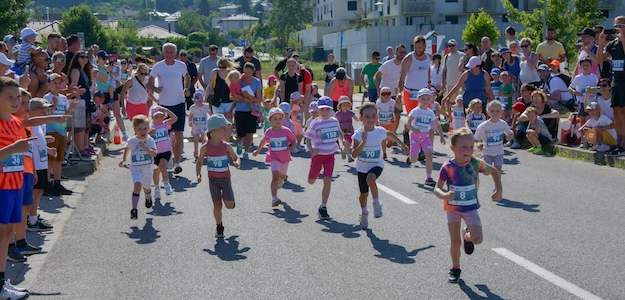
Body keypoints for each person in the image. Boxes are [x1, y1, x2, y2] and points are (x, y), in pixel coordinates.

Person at [434, 127, 502, 284]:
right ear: (453, 148)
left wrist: (499, 190)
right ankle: (455, 268)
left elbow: (494, 171)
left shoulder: (475, 164)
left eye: (471, 147)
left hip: (470, 208)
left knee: (478, 239)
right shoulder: (447, 167)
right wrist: (444, 195)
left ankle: (468, 235)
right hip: (453, 208)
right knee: (455, 241)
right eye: (464, 147)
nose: (468, 150)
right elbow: (437, 188)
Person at [0, 77, 33, 299]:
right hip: (1, 187)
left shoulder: (14, 121)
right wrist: (14, 148)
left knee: (9, 233)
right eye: (9, 97)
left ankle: (2, 282)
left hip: (16, 183)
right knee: (1, 234)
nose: (15, 101)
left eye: (17, 97)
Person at [351, 103, 408, 229]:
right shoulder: (358, 134)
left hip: (377, 164)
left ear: (377, 117)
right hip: (362, 167)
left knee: (371, 178)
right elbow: (353, 155)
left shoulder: (380, 131)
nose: (370, 119)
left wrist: (403, 145)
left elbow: (390, 135)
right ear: (361, 118)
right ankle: (364, 212)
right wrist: (364, 142)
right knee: (363, 194)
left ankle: (376, 203)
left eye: (373, 116)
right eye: (367, 116)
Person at [147, 43, 190, 174]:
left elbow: (187, 77)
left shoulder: (181, 65)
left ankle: (177, 162)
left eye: (172, 52)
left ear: (175, 53)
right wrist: (155, 89)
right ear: (163, 53)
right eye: (167, 52)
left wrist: (186, 88)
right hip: (164, 105)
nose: (169, 54)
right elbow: (149, 81)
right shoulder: (158, 66)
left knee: (179, 133)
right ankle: (165, 158)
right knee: (164, 135)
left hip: (179, 102)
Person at [196, 114, 240, 238]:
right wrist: (198, 174)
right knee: (217, 204)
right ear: (214, 131)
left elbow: (236, 157)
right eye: (223, 128)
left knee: (229, 205)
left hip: (225, 179)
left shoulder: (227, 146)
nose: (226, 131)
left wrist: (236, 163)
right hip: (213, 180)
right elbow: (199, 162)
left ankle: (228, 199)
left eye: (226, 128)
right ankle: (219, 227)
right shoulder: (205, 147)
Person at [304, 96, 347, 220]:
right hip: (318, 156)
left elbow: (339, 132)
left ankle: (323, 207)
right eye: (322, 109)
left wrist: (343, 142)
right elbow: (308, 137)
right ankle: (315, 174)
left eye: (327, 109)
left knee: (327, 180)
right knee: (311, 181)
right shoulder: (316, 122)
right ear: (317, 109)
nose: (324, 112)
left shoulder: (334, 121)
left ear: (331, 110)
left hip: (330, 156)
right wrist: (311, 149)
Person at [253, 107, 296, 207]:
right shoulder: (269, 132)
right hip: (274, 157)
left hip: (285, 158)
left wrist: (292, 148)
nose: (278, 121)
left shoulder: (286, 131)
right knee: (275, 176)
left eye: (280, 118)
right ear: (270, 120)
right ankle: (274, 198)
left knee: (282, 176)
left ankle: (281, 180)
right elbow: (263, 141)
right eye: (275, 119)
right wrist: (257, 151)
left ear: (283, 119)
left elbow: (293, 141)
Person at [44, 73, 79, 195]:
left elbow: (65, 116)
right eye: (54, 83)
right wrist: (53, 106)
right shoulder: (46, 97)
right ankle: (47, 184)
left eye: (59, 83)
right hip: (50, 131)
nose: (57, 85)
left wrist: (71, 108)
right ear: (48, 84)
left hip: (61, 131)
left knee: (59, 159)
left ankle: (57, 183)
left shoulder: (63, 98)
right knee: (49, 160)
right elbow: (46, 115)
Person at [118, 115, 157, 219]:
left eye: (145, 128)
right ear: (135, 129)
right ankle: (134, 209)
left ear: (148, 129)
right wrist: (124, 159)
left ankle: (148, 198)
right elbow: (127, 147)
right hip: (135, 167)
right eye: (139, 129)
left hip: (147, 168)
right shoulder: (132, 141)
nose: (142, 131)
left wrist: (145, 148)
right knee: (137, 185)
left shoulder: (150, 140)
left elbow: (154, 154)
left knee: (146, 187)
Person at [405, 88, 446, 186]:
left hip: (425, 137)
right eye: (423, 98)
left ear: (430, 100)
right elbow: (407, 124)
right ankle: (410, 158)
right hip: (415, 137)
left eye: (427, 99)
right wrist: (414, 129)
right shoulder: (415, 111)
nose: (425, 101)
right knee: (414, 160)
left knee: (429, 155)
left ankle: (429, 177)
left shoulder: (430, 112)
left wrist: (441, 136)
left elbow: (437, 125)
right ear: (418, 99)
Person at [597, 16, 625, 155]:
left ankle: (624, 143)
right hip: (616, 81)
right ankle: (619, 143)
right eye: (616, 25)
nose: (618, 27)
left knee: (624, 113)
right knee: (617, 112)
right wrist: (601, 43)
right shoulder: (612, 43)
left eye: (621, 25)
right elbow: (600, 59)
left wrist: (623, 38)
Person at [233, 62, 263, 159]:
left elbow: (259, 99)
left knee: (250, 133)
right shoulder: (239, 81)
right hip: (240, 109)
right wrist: (243, 98)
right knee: (240, 133)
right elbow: (232, 96)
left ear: (253, 72)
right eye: (245, 72)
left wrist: (249, 97)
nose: (247, 75)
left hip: (251, 111)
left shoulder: (256, 82)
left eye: (249, 73)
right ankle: (240, 143)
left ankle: (246, 152)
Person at [68, 50, 94, 156]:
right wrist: (78, 99)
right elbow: (74, 87)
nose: (84, 58)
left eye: (86, 57)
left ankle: (84, 146)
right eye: (82, 56)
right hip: (79, 101)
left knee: (85, 126)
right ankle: (79, 150)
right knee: (79, 127)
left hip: (86, 101)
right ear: (77, 58)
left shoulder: (84, 71)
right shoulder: (76, 70)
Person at [375, 44, 406, 134]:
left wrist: (401, 91)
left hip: (397, 94)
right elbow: (376, 77)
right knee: (382, 116)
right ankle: (380, 133)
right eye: (400, 52)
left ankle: (392, 135)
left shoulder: (405, 66)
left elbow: (405, 80)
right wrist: (378, 89)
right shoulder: (387, 64)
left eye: (404, 52)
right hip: (385, 94)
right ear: (396, 52)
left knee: (397, 115)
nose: (402, 54)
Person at [474, 100, 513, 173]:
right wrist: (478, 148)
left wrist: (509, 137)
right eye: (492, 111)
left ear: (501, 112)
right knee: (486, 172)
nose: (495, 113)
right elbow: (477, 138)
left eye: (497, 111)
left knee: (498, 170)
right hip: (487, 153)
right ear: (488, 112)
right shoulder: (484, 125)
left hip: (499, 152)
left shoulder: (503, 123)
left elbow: (510, 133)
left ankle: (498, 184)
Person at [399, 36, 431, 124]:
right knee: (411, 118)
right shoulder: (408, 59)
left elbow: (430, 74)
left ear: (425, 46)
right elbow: (401, 78)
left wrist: (430, 87)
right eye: (415, 47)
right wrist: (399, 93)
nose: (417, 50)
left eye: (420, 48)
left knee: (423, 118)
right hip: (410, 92)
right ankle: (409, 134)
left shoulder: (429, 58)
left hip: (424, 93)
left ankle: (422, 136)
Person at [149, 107, 178, 200]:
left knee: (162, 167)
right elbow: (144, 136)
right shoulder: (150, 127)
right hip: (155, 153)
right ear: (152, 117)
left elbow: (175, 118)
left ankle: (166, 184)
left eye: (161, 116)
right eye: (156, 117)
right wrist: (149, 134)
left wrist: (165, 110)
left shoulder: (165, 124)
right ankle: (157, 189)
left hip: (165, 151)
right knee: (156, 172)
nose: (159, 119)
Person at [569, 57, 599, 128]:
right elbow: (570, 88)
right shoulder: (578, 78)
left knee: (591, 119)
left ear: (591, 66)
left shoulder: (594, 77)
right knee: (582, 119)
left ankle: (591, 136)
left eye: (587, 65)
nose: (585, 67)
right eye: (583, 65)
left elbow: (598, 89)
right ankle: (583, 136)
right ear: (580, 66)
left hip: (592, 101)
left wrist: (593, 90)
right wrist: (575, 92)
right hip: (582, 101)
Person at [376, 87, 398, 159]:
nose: (386, 96)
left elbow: (399, 107)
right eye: (384, 94)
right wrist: (376, 120)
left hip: (391, 122)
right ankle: (384, 153)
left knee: (390, 134)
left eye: (388, 94)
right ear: (380, 95)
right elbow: (377, 111)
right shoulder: (378, 102)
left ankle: (390, 140)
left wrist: (399, 100)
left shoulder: (392, 102)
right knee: (383, 137)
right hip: (382, 122)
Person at [189, 90, 211, 159]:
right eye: (197, 101)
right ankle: (196, 151)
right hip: (195, 125)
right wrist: (189, 121)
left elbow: (210, 113)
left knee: (203, 137)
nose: (199, 103)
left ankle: (205, 151)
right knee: (196, 138)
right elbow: (190, 116)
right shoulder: (192, 107)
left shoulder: (205, 107)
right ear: (194, 101)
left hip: (203, 125)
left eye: (200, 101)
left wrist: (213, 119)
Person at [335, 96, 358, 162]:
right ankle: (349, 157)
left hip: (350, 131)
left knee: (349, 144)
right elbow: (333, 120)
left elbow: (356, 118)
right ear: (340, 106)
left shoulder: (350, 113)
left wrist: (359, 119)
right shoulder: (338, 114)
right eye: (343, 105)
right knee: (346, 142)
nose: (345, 106)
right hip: (342, 132)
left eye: (347, 105)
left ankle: (344, 151)